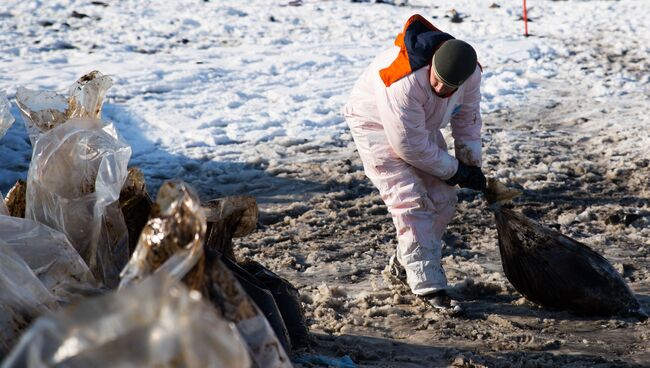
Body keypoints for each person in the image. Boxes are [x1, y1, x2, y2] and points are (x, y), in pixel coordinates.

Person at [342, 14, 486, 313]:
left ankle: (407, 263)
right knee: (410, 199)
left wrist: (470, 163)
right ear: (431, 65)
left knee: (444, 198)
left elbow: (466, 117)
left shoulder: (470, 75)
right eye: (438, 83)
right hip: (376, 124)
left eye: (451, 88)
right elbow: (409, 146)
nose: (444, 91)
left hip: (419, 127)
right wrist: (455, 170)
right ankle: (428, 284)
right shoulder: (404, 81)